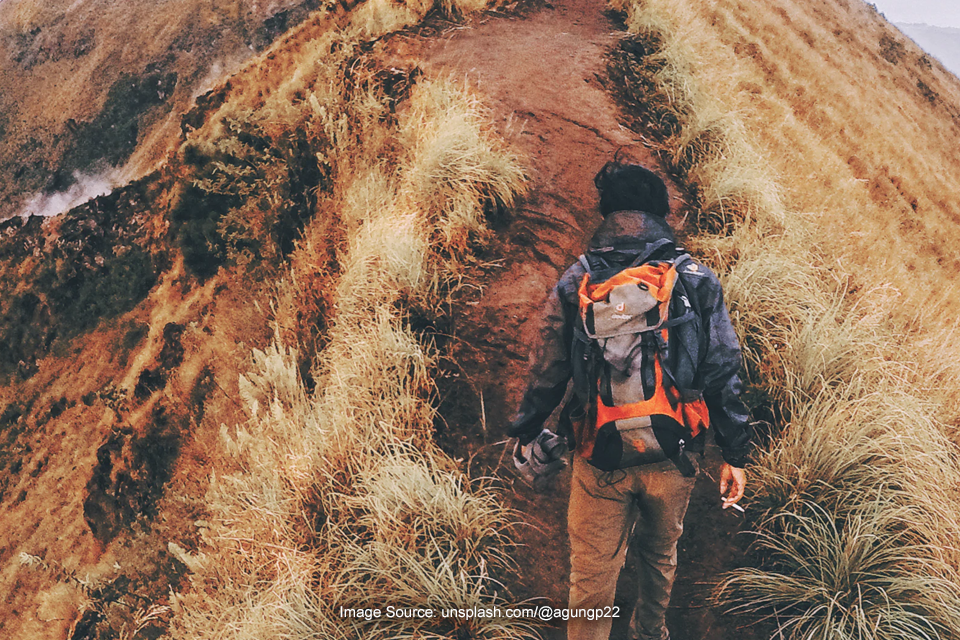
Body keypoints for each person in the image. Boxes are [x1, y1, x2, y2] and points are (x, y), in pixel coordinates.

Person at [508, 161, 752, 640]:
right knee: (660, 555)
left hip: (598, 451)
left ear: (606, 213)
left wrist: (527, 429)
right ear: (663, 214)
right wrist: (735, 454)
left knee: (593, 571)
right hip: (675, 451)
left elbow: (548, 369)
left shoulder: (575, 280)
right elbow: (723, 368)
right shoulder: (697, 279)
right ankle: (649, 631)